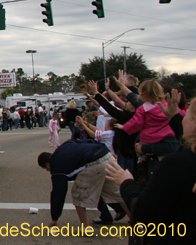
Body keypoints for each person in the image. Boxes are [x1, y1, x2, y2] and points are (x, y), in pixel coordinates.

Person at [105, 92, 196, 243]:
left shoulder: (175, 164)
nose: (184, 117)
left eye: (188, 115)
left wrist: (127, 183)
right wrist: (174, 117)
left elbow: (144, 213)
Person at [38, 139, 128, 227]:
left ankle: (85, 227)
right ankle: (135, 221)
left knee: (78, 194)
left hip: (94, 162)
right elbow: (88, 141)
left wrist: (55, 217)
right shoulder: (64, 147)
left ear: (47, 164)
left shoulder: (57, 166)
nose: (48, 170)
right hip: (106, 154)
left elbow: (58, 193)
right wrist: (106, 152)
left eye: (46, 168)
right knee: (117, 193)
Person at [114, 80, 180, 168]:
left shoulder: (143, 108)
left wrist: (124, 127)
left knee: (142, 159)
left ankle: (141, 163)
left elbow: (136, 122)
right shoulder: (167, 106)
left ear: (143, 95)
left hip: (149, 139)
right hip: (166, 138)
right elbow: (180, 115)